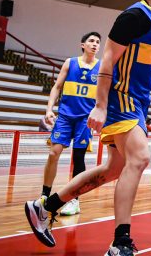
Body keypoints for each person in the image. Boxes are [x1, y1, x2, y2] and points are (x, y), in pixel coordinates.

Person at [25, 0, 151, 255]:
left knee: (114, 169)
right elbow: (108, 60)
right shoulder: (133, 16)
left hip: (139, 100)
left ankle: (45, 207)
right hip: (121, 96)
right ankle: (120, 242)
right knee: (139, 158)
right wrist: (100, 106)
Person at [39, 32, 101, 216]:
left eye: (98, 42)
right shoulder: (70, 63)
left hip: (85, 119)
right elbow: (57, 87)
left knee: (79, 158)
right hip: (65, 116)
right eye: (91, 41)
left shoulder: (102, 67)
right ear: (82, 44)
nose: (95, 44)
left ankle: (74, 201)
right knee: (53, 153)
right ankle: (44, 196)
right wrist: (49, 109)